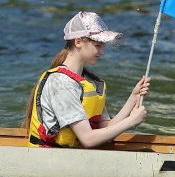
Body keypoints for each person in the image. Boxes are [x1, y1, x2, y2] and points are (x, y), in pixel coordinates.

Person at [25, 11, 149, 149]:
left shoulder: (88, 82)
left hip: (73, 158)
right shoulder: (60, 82)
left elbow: (106, 129)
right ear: (78, 42)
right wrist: (131, 121)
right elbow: (88, 139)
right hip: (50, 160)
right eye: (98, 46)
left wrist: (133, 97)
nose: (102, 52)